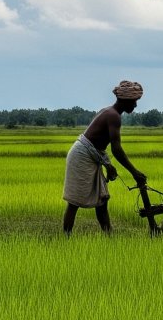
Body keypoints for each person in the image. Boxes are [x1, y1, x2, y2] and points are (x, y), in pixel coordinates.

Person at [62, 80, 149, 234]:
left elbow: (100, 146)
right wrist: (134, 172)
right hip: (81, 156)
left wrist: (108, 165)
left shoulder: (110, 112)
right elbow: (116, 149)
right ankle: (65, 238)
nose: (135, 106)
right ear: (125, 100)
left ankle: (109, 237)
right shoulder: (113, 116)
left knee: (102, 199)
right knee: (74, 201)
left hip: (92, 155)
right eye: (134, 102)